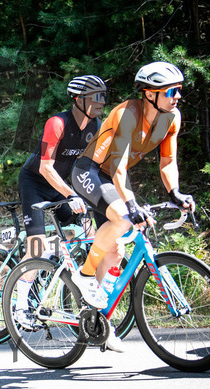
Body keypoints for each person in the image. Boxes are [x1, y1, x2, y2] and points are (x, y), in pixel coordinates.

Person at [71, 61, 194, 350]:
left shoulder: (172, 117)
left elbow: (168, 161)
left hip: (112, 177)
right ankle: (84, 275)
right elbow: (118, 167)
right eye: (171, 91)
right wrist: (131, 203)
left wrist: (175, 192)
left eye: (179, 90)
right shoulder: (128, 113)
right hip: (90, 171)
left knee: (115, 253)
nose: (178, 96)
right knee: (124, 217)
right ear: (150, 93)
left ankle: (96, 321)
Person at [14, 75, 107, 328]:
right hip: (35, 182)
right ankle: (20, 307)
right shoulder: (56, 123)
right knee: (36, 246)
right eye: (95, 96)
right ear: (78, 100)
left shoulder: (96, 126)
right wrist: (71, 194)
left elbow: (90, 167)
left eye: (103, 95)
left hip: (60, 186)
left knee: (88, 234)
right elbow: (45, 167)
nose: (101, 101)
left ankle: (78, 290)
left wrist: (95, 196)